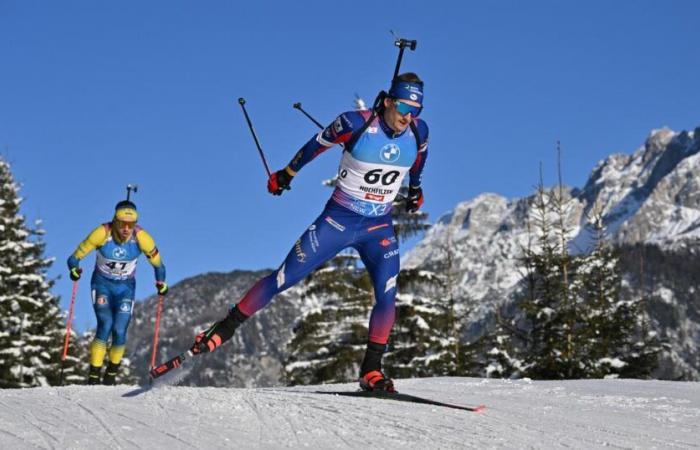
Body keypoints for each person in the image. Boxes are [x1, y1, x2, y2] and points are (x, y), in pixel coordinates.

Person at [193, 72, 429, 392]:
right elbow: (316, 145)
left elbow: (419, 160)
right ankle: (223, 328)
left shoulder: (418, 131)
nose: (408, 116)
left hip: (379, 228)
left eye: (416, 109)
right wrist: (287, 174)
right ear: (388, 101)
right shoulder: (355, 123)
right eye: (403, 106)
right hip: (338, 222)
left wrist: (415, 189)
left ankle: (372, 370)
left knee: (388, 294)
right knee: (283, 278)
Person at [67, 200, 168, 385]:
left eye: (131, 224)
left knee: (120, 330)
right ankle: (94, 375)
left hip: (125, 289)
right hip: (102, 285)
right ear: (115, 220)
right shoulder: (102, 234)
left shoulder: (142, 238)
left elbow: (159, 265)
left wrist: (161, 283)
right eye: (122, 223)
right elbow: (74, 258)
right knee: (105, 324)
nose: (126, 229)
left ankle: (111, 375)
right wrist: (74, 269)